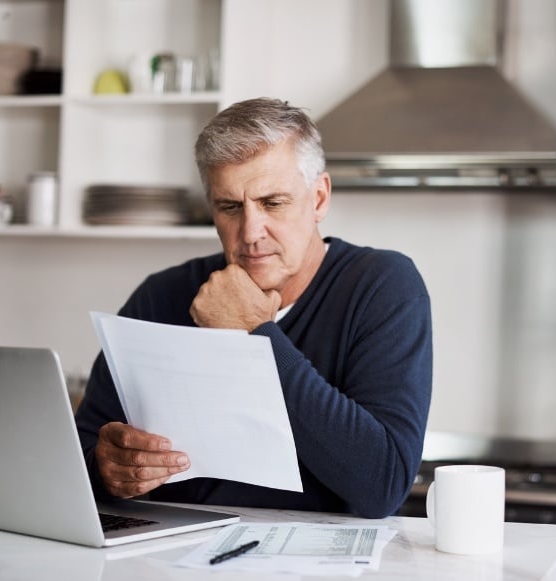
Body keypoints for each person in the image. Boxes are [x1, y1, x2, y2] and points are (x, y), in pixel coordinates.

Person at [74, 97, 433, 519]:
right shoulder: (162, 294)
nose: (251, 232)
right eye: (230, 207)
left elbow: (382, 486)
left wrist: (256, 332)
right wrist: (106, 467)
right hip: (173, 565)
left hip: (319, 573)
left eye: (273, 203)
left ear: (318, 199)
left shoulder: (382, 286)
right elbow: (79, 452)